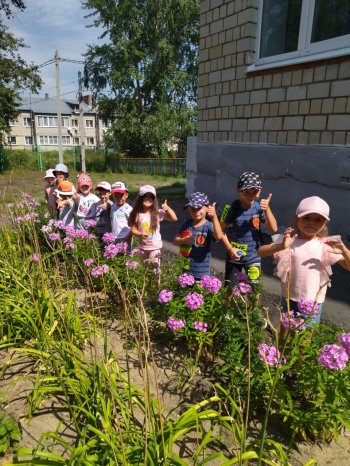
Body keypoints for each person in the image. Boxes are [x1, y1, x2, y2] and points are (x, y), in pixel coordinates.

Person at [258, 196, 350, 329]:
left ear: (324, 224)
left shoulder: (325, 244)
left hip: (313, 303)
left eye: (318, 220)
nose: (311, 223)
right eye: (306, 217)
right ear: (297, 219)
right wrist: (281, 246)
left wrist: (345, 251)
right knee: (285, 334)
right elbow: (260, 251)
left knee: (304, 340)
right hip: (289, 299)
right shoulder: (289, 241)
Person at [220, 171, 278, 288]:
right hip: (234, 256)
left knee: (254, 288)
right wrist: (230, 249)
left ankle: (252, 307)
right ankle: (230, 306)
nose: (251, 196)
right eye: (247, 192)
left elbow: (273, 229)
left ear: (260, 191)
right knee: (230, 288)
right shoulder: (231, 208)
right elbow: (220, 231)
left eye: (255, 192)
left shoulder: (259, 208)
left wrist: (267, 210)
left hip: (253, 256)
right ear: (238, 190)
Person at [128, 185, 177, 283]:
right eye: (145, 196)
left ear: (154, 199)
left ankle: (155, 291)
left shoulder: (157, 213)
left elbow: (174, 218)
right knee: (145, 271)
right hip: (142, 248)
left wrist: (167, 209)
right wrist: (139, 234)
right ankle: (147, 290)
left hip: (154, 248)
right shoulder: (137, 213)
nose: (148, 199)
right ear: (140, 198)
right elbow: (133, 229)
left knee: (155, 271)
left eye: (151, 197)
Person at [173, 192, 224, 281]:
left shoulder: (208, 226)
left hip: (202, 272)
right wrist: (183, 240)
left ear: (207, 208)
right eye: (192, 209)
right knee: (186, 293)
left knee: (200, 294)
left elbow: (219, 236)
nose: (196, 211)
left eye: (199, 208)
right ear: (189, 209)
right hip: (186, 269)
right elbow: (175, 240)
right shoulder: (187, 224)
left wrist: (214, 217)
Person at [110, 181, 133, 245]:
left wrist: (128, 236)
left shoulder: (129, 209)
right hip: (114, 237)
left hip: (125, 237)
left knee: (125, 254)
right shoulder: (112, 207)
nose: (119, 198)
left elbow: (133, 225)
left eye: (121, 195)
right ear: (113, 196)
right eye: (116, 196)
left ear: (126, 195)